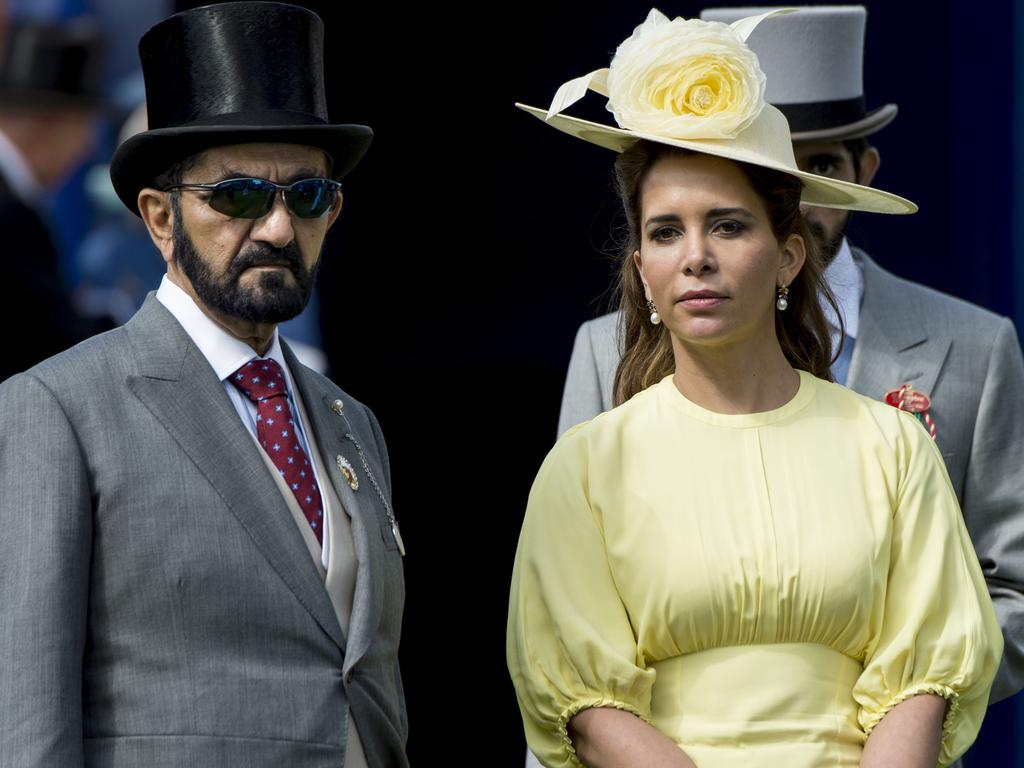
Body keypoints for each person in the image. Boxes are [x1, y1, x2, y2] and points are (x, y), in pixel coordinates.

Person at [508, 10, 1002, 768]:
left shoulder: (893, 448)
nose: (696, 256)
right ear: (642, 269)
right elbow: (581, 701)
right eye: (666, 231)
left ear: (788, 258)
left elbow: (925, 676)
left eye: (730, 226)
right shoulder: (585, 467)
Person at [0, 4, 408, 767]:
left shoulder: (352, 421)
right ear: (159, 217)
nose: (279, 229)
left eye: (308, 196)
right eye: (239, 195)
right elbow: (27, 726)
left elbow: (361, 677)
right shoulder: (59, 408)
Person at [0, 17, 112, 382]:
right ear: (47, 124)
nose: (87, 148)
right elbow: (58, 341)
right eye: (84, 128)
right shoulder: (12, 217)